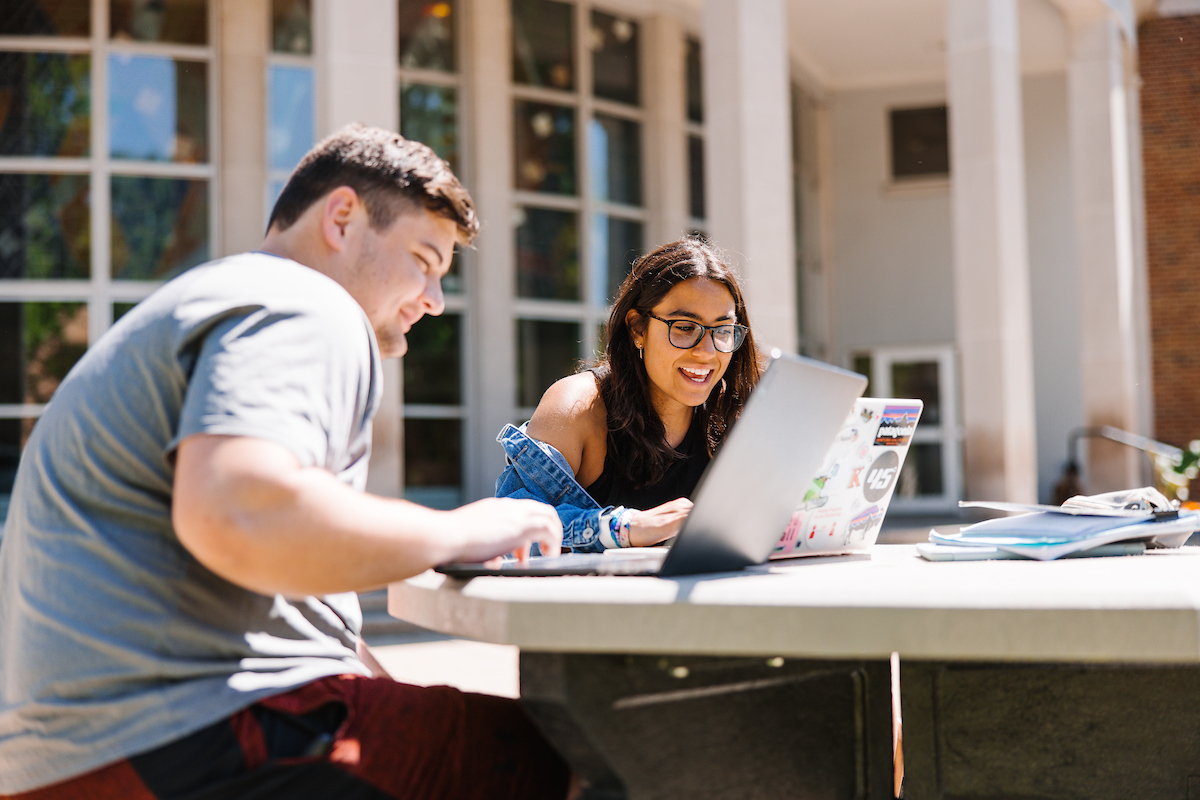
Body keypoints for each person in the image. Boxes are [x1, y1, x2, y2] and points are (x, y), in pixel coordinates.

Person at [0, 125, 573, 799]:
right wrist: (466, 529)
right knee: (590, 758)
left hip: (82, 758)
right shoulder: (305, 303)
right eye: (423, 259)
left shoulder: (212, 302)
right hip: (183, 739)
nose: (434, 299)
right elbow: (240, 512)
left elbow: (292, 602)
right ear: (341, 218)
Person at [496, 237, 763, 551]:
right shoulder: (578, 406)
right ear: (638, 329)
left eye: (723, 330)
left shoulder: (737, 413)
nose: (707, 353)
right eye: (685, 327)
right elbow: (510, 529)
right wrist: (625, 528)